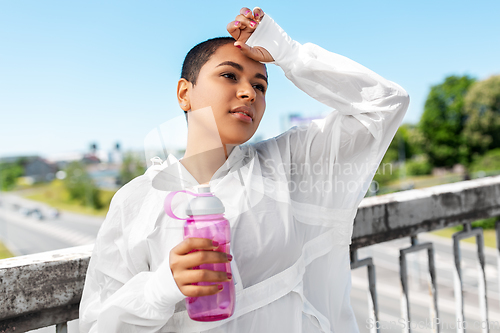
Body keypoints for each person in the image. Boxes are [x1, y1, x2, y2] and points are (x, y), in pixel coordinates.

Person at [79, 6, 409, 333]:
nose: (249, 92)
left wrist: (288, 53)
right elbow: (95, 326)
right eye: (229, 75)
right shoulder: (137, 200)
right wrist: (160, 289)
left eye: (261, 86)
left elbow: (386, 104)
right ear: (184, 93)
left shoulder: (287, 164)